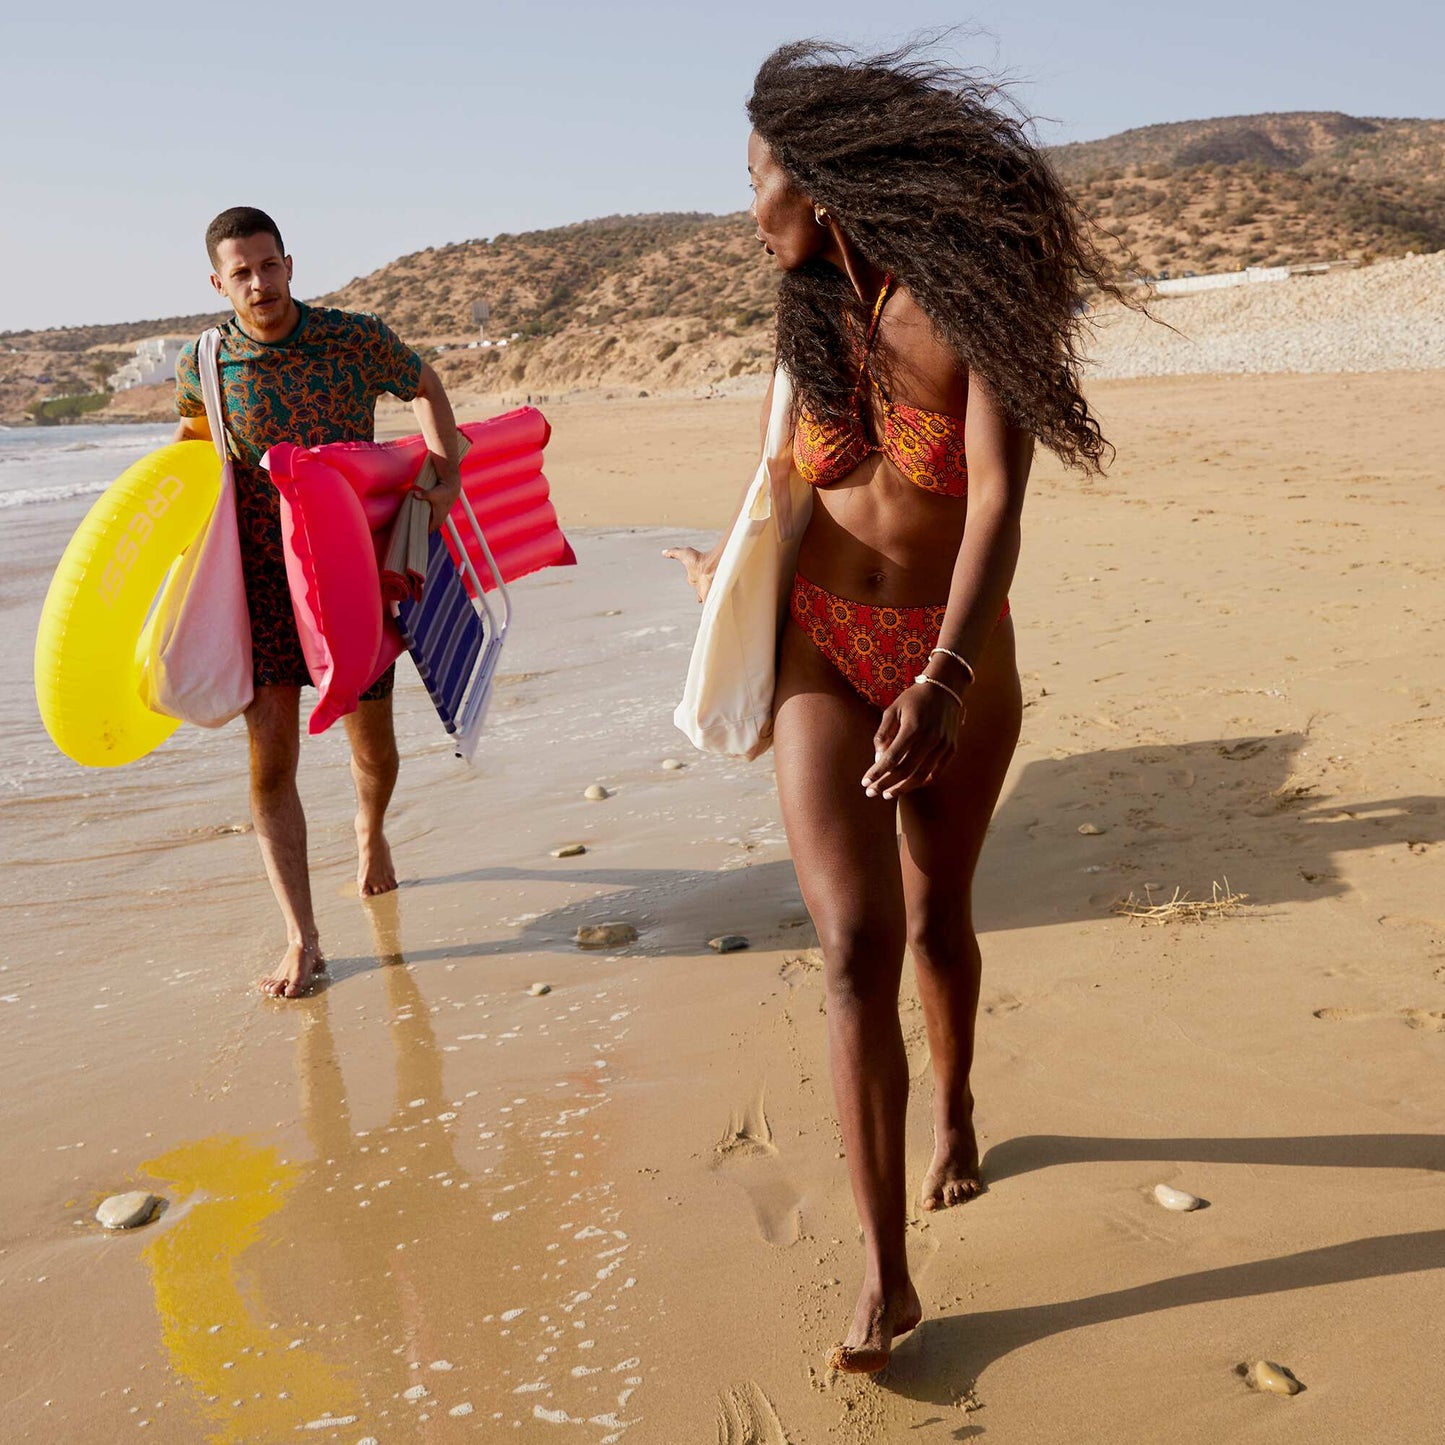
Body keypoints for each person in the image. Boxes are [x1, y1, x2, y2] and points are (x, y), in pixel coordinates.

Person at [667, 43, 1128, 1373]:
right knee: (853, 946)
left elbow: (995, 498)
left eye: (753, 178)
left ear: (815, 181)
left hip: (951, 654)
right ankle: (886, 1270)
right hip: (824, 642)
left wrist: (945, 675)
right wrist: (731, 562)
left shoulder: (972, 308)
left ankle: (960, 1108)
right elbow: (788, 471)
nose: (746, 205)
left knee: (936, 922)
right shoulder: (804, 314)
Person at [174, 206, 462, 1000]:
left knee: (372, 745)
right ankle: (301, 936)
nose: (258, 283)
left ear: (290, 265)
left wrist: (446, 476)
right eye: (241, 272)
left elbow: (424, 385)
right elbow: (196, 453)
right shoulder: (204, 361)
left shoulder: (352, 337)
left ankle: (370, 832)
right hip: (261, 585)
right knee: (271, 762)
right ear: (218, 282)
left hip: (347, 580)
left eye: (269, 265)